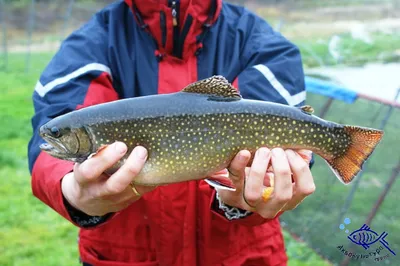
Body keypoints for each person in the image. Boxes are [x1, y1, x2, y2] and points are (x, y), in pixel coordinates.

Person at [28, 0, 316, 265]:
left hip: (241, 254)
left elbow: (285, 128)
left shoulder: (262, 45)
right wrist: (71, 189)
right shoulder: (91, 44)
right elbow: (57, 116)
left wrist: (268, 187)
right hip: (124, 254)